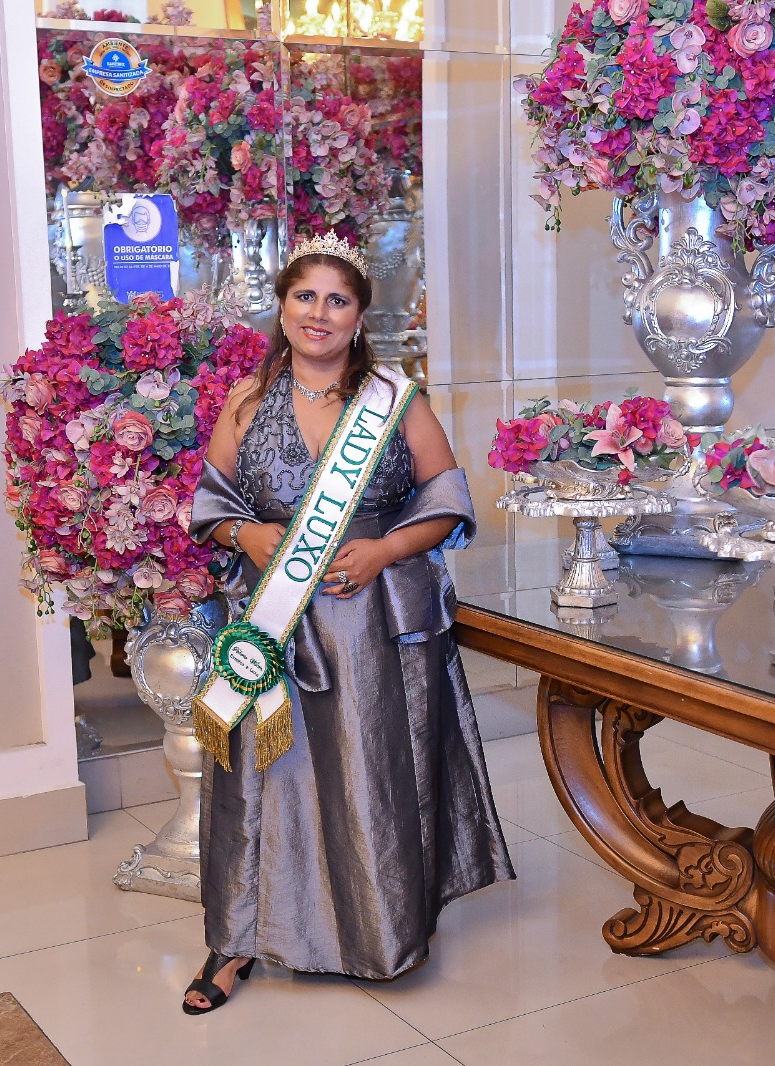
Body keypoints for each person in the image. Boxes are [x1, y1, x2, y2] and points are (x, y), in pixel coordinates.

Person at [183, 234, 515, 1013]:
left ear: (360, 316)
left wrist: (386, 549)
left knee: (370, 771)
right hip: (273, 621)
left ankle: (380, 927)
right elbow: (210, 504)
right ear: (283, 307)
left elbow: (448, 499)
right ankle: (235, 940)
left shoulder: (397, 399)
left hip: (370, 619)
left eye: (338, 300)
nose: (319, 313)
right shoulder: (246, 399)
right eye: (306, 297)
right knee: (262, 774)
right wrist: (244, 534)